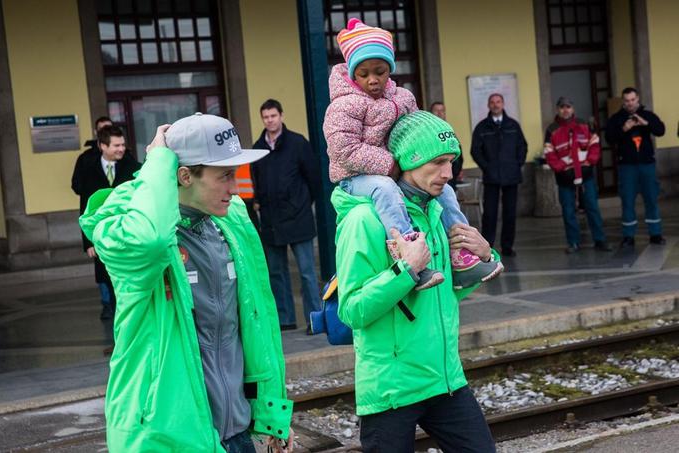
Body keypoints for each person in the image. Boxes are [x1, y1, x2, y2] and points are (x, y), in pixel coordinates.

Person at [79, 114, 294, 453]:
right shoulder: (127, 231)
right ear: (183, 176)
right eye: (224, 176)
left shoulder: (230, 221)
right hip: (171, 440)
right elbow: (147, 239)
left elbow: (258, 325)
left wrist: (271, 415)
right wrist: (158, 163)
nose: (234, 188)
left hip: (237, 434)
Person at [334, 111, 497, 453]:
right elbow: (351, 311)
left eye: (451, 162)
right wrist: (405, 270)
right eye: (438, 163)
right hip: (392, 389)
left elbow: (448, 289)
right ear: (410, 159)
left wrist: (486, 257)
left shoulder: (437, 212)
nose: (448, 173)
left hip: (444, 379)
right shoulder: (363, 221)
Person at [324, 19, 502, 291]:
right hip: (356, 177)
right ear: (351, 74)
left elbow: (416, 133)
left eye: (380, 72)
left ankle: (462, 253)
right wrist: (392, 165)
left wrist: (423, 157)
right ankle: (409, 254)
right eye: (363, 74)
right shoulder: (343, 105)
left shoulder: (403, 97)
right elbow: (344, 150)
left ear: (390, 70)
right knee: (384, 188)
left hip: (394, 170)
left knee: (445, 192)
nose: (373, 79)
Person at [251, 99, 322, 333]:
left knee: (307, 274)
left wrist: (301, 204)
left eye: (273, 115)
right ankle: (285, 319)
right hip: (272, 222)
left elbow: (313, 178)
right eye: (266, 117)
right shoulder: (258, 148)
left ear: (281, 115)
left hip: (299, 219)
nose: (270, 120)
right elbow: (256, 183)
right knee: (276, 274)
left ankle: (315, 319)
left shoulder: (298, 143)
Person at [71, 124, 140, 320]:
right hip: (102, 234)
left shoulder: (133, 166)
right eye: (116, 145)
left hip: (128, 232)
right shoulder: (89, 168)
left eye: (123, 145)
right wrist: (89, 241)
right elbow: (85, 206)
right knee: (105, 275)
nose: (121, 149)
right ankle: (111, 307)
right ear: (102, 146)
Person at [544, 97, 611, 253]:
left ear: (573, 109)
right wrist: (562, 168)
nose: (565, 110)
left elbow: (594, 144)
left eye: (568, 106)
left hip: (585, 175)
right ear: (557, 109)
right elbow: (549, 152)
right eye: (562, 107)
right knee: (568, 211)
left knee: (592, 208)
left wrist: (590, 162)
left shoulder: (584, 125)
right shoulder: (552, 129)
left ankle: (600, 240)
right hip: (564, 178)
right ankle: (573, 242)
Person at [605, 87, 666, 247]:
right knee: (627, 201)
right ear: (623, 102)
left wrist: (646, 124)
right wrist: (623, 129)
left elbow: (661, 130)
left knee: (651, 199)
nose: (630, 103)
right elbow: (609, 139)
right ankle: (628, 236)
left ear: (638, 99)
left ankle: (655, 234)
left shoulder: (648, 115)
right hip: (627, 166)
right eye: (627, 101)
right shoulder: (616, 118)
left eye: (633, 100)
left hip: (647, 165)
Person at [470, 93, 528, 257]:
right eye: (492, 102)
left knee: (510, 213)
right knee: (490, 214)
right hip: (492, 177)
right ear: (488, 105)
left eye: (498, 102)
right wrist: (486, 167)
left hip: (511, 176)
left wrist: (518, 164)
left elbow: (522, 146)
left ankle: (508, 246)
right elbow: (475, 150)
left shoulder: (513, 125)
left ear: (503, 104)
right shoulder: (482, 127)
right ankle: (487, 246)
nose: (496, 105)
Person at [430, 101, 464, 190]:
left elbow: (458, 151)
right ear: (431, 113)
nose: (439, 113)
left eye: (442, 111)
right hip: (435, 176)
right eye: (436, 111)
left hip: (451, 175)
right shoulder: (427, 132)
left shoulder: (449, 130)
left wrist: (459, 170)